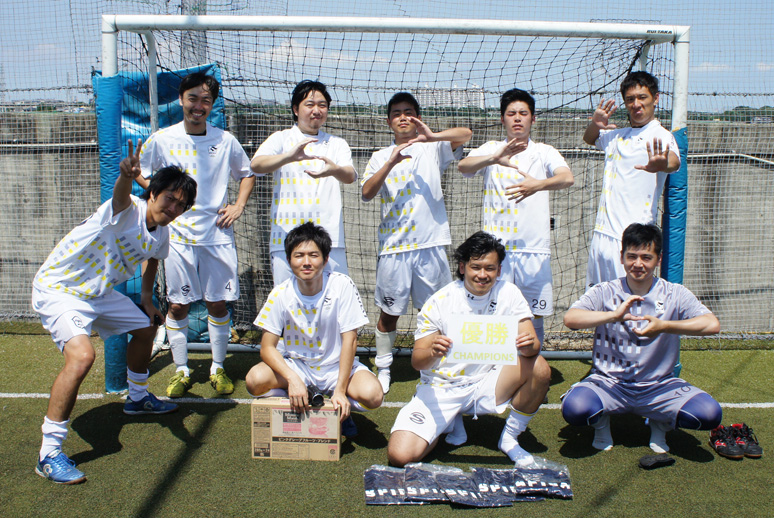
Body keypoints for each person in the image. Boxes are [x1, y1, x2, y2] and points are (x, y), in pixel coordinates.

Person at [32, 140, 197, 484]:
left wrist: (148, 301)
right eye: (169, 198)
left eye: (181, 205)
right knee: (82, 357)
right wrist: (125, 175)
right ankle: (49, 453)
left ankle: (137, 398)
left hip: (99, 293)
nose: (173, 207)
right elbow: (121, 196)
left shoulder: (162, 233)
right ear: (153, 193)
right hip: (60, 289)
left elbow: (153, 260)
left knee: (146, 326)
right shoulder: (127, 209)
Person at [137, 72, 256, 398]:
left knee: (217, 303)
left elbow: (247, 174)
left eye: (205, 100)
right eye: (193, 98)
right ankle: (182, 370)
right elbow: (143, 175)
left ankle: (218, 367)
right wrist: (166, 203)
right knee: (178, 306)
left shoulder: (225, 140)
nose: (198, 106)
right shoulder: (163, 139)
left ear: (212, 104)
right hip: (177, 237)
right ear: (181, 100)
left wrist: (238, 205)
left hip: (217, 235)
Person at [387, 231, 551, 467]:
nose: (483, 275)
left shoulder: (509, 293)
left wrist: (528, 346)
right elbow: (417, 361)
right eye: (476, 267)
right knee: (400, 455)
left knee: (539, 367)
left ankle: (510, 439)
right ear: (463, 267)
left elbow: (532, 346)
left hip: (486, 382)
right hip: (441, 387)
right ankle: (446, 421)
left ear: (499, 270)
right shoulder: (439, 301)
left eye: (490, 268)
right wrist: (432, 351)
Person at [561, 223, 722, 453]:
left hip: (659, 385)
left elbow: (712, 324)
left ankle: (660, 423)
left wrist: (665, 326)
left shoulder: (675, 293)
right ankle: (600, 424)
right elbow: (571, 319)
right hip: (610, 383)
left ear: (658, 259)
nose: (638, 264)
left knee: (708, 414)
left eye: (646, 257)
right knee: (575, 409)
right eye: (632, 256)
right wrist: (612, 315)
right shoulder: (605, 290)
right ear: (621, 257)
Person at [361, 91, 472, 394]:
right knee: (389, 313)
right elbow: (367, 193)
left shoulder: (433, 148)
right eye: (396, 113)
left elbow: (466, 133)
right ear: (389, 121)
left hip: (430, 245)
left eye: (408, 112)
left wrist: (432, 135)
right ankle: (384, 367)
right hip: (394, 248)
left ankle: (435, 368)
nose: (403, 117)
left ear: (418, 117)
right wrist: (390, 163)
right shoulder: (380, 156)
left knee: (435, 313)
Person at [245, 222, 383, 438]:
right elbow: (267, 348)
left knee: (373, 396)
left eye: (313, 255)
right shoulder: (280, 293)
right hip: (298, 365)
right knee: (254, 380)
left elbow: (350, 340)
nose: (306, 262)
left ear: (326, 259)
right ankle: (301, 399)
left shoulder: (342, 285)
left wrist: (340, 390)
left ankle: (338, 408)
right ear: (289, 260)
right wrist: (293, 379)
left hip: (335, 367)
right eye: (299, 255)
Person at [459, 88, 574, 346]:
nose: (518, 118)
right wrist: (494, 158)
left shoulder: (544, 152)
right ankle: (494, 363)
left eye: (523, 113)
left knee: (534, 314)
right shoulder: (491, 148)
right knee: (494, 310)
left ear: (533, 118)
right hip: (497, 251)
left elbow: (567, 177)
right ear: (503, 119)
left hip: (533, 249)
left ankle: (532, 362)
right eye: (511, 113)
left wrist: (538, 185)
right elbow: (463, 166)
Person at [250, 80, 357, 286]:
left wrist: (334, 170)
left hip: (330, 239)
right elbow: (256, 165)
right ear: (295, 109)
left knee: (334, 297)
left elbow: (350, 176)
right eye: (310, 104)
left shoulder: (337, 143)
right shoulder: (281, 138)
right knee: (287, 300)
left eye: (322, 105)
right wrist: (288, 157)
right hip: (286, 239)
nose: (316, 110)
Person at [583, 71, 680, 289]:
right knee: (598, 300)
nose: (636, 104)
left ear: (655, 98)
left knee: (630, 301)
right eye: (630, 99)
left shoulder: (661, 135)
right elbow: (590, 138)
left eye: (642, 97)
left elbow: (673, 161)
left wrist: (661, 164)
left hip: (633, 241)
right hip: (602, 236)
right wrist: (596, 123)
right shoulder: (617, 135)